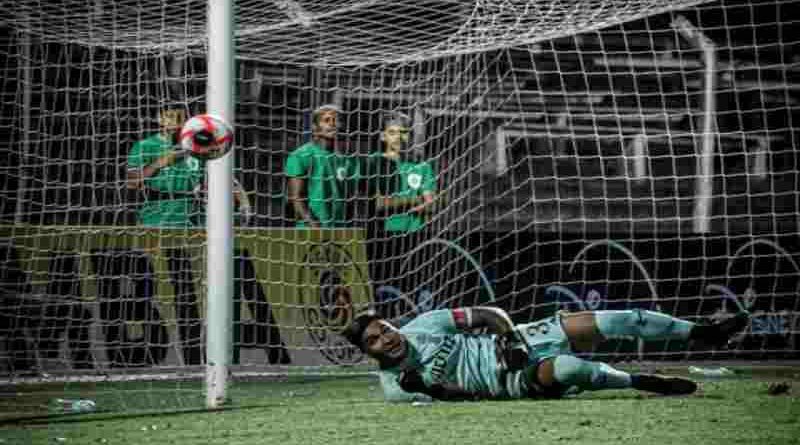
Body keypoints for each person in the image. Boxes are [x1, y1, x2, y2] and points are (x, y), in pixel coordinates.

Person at [343, 306, 750, 402]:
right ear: (367, 353)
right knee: (571, 368)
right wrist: (433, 390)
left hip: (520, 341)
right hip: (511, 381)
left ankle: (705, 333)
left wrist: (511, 342)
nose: (388, 339)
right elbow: (467, 398)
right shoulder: (396, 387)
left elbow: (490, 314)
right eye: (376, 341)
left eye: (386, 329)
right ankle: (642, 382)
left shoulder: (425, 325)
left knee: (622, 318)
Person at [285, 104, 360, 228]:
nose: (332, 124)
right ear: (315, 127)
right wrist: (314, 225)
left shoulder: (348, 160)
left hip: (339, 230)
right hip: (310, 231)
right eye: (327, 120)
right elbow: (296, 197)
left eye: (336, 120)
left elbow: (349, 199)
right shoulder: (300, 155)